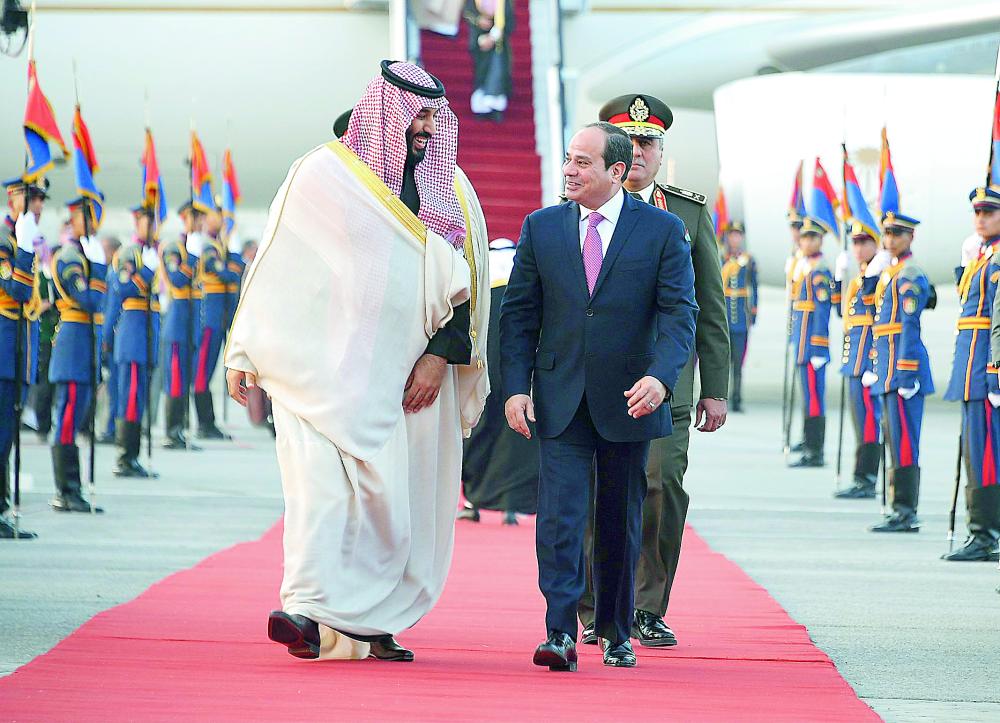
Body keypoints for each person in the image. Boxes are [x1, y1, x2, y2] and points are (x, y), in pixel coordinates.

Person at [225, 61, 489, 662]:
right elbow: (279, 266)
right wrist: (246, 349)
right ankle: (305, 610)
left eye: (431, 116)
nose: (424, 127)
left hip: (410, 380)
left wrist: (440, 360)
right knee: (317, 491)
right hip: (327, 368)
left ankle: (374, 621)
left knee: (394, 501)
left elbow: (469, 282)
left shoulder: (453, 189)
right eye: (414, 115)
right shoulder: (323, 176)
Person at [500, 121, 697, 671]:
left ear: (616, 172)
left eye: (582, 162)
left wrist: (662, 377)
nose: (568, 170)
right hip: (559, 396)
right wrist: (515, 389)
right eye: (568, 159)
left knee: (619, 518)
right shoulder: (542, 228)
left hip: (631, 398)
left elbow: (680, 313)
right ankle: (560, 630)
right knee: (559, 520)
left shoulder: (660, 230)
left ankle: (615, 628)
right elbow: (518, 316)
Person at [577, 95, 727, 651]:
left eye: (648, 143)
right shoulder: (577, 206)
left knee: (660, 485)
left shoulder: (686, 214)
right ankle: (594, 607)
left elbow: (710, 306)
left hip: (666, 383)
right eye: (628, 141)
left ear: (660, 152)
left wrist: (714, 387)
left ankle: (645, 605)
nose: (638, 152)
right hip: (596, 380)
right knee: (597, 490)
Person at [460, 237, 538, 526]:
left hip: (482, 355)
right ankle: (514, 503)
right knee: (519, 429)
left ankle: (473, 499)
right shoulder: (526, 266)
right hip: (520, 359)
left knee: (478, 424)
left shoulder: (479, 266)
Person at [942, 187, 1000, 560]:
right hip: (969, 367)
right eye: (977, 212)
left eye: (989, 212)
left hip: (985, 368)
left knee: (986, 453)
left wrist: (996, 369)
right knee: (972, 450)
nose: (980, 218)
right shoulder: (981, 257)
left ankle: (986, 533)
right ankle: (977, 529)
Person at [866, 212, 933, 533]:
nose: (889, 240)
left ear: (910, 238)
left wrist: (905, 374)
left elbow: (909, 326)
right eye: (886, 234)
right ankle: (898, 508)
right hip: (887, 370)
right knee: (894, 439)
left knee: (905, 442)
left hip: (902, 372)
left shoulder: (909, 274)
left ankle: (906, 511)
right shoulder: (890, 272)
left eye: (896, 234)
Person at [47, 196, 107, 513]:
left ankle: (75, 488)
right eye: (83, 216)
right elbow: (89, 300)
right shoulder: (70, 257)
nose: (88, 221)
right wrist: (97, 267)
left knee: (77, 418)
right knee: (67, 420)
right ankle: (66, 490)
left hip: (86, 348)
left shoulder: (86, 256)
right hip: (73, 347)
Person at [832, 223, 890, 499]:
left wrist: (873, 363)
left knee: (869, 422)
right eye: (855, 242)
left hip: (867, 362)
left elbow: (877, 311)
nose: (858, 248)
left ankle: (866, 478)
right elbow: (840, 312)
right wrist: (839, 278)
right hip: (853, 362)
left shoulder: (878, 277)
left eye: (864, 242)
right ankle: (860, 477)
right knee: (860, 422)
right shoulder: (858, 279)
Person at [0, 177, 44, 539]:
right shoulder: (4, 244)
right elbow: (16, 290)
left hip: (18, 355)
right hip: (3, 355)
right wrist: (25, 248)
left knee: (8, 436)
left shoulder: (23, 242)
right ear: (13, 201)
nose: (38, 208)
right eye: (31, 201)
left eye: (40, 202)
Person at [103, 205, 160, 478]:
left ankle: (133, 456)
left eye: (153, 223)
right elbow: (121, 289)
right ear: (137, 224)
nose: (150, 228)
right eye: (146, 223)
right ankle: (125, 458)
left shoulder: (152, 254)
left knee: (139, 399)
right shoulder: (129, 254)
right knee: (130, 398)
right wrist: (146, 272)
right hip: (132, 338)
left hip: (146, 337)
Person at [191, 204, 239, 440]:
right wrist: (230, 269)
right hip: (209, 316)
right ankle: (204, 422)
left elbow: (237, 268)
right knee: (202, 370)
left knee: (210, 368)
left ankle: (208, 421)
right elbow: (222, 271)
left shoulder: (222, 245)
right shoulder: (206, 245)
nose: (219, 219)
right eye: (214, 215)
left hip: (221, 317)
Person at [788, 217, 833, 468]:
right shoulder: (804, 266)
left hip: (813, 346)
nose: (806, 242)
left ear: (819, 240)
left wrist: (818, 346)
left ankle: (815, 451)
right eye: (804, 237)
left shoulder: (820, 271)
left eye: (811, 238)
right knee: (808, 396)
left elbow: (822, 312)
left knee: (815, 398)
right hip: (802, 343)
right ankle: (808, 441)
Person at [159, 201, 203, 450]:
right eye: (195, 218)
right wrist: (192, 257)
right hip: (177, 322)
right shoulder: (174, 248)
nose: (199, 224)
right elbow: (177, 279)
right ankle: (172, 431)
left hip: (191, 323)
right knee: (175, 379)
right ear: (185, 218)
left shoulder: (196, 247)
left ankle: (181, 429)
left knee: (184, 378)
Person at [720, 221, 755, 413]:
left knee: (738, 362)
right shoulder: (721, 259)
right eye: (732, 234)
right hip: (723, 318)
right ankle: (719, 396)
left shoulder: (748, 261)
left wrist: (754, 313)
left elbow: (754, 287)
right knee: (721, 361)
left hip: (740, 319)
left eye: (738, 234)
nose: (735, 238)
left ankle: (737, 398)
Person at [464, 0, 514, 121]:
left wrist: (494, 36)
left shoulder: (504, 2)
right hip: (479, 41)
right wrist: (478, 21)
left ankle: (495, 107)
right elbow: (468, 13)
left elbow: (509, 21)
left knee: (496, 71)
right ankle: (481, 107)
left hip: (498, 44)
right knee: (482, 71)